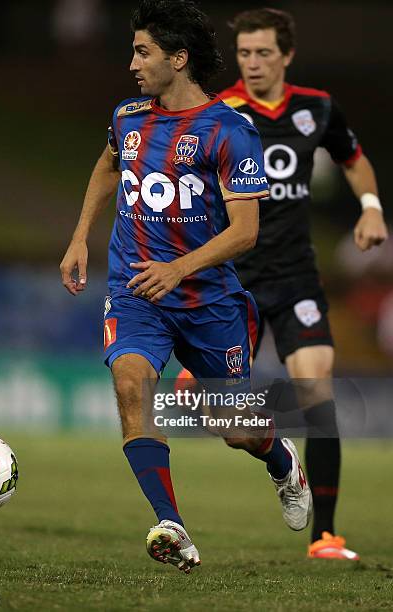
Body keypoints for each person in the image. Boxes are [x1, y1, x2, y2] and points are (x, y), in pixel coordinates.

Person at [60, 0, 312, 574]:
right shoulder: (127, 117)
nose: (132, 63)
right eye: (133, 50)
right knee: (131, 385)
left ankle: (281, 460)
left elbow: (246, 232)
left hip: (207, 298)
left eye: (142, 51)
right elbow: (107, 165)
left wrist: (179, 268)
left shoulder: (229, 130)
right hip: (136, 288)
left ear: (179, 59)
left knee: (234, 429)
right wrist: (80, 237)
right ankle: (171, 524)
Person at [183, 7, 387, 561]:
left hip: (296, 276)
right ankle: (281, 460)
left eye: (263, 53)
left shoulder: (316, 108)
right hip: (233, 280)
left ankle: (326, 537)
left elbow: (354, 159)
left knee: (318, 391)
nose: (252, 63)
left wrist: (370, 207)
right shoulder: (219, 112)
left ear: (287, 55)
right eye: (244, 53)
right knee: (215, 417)